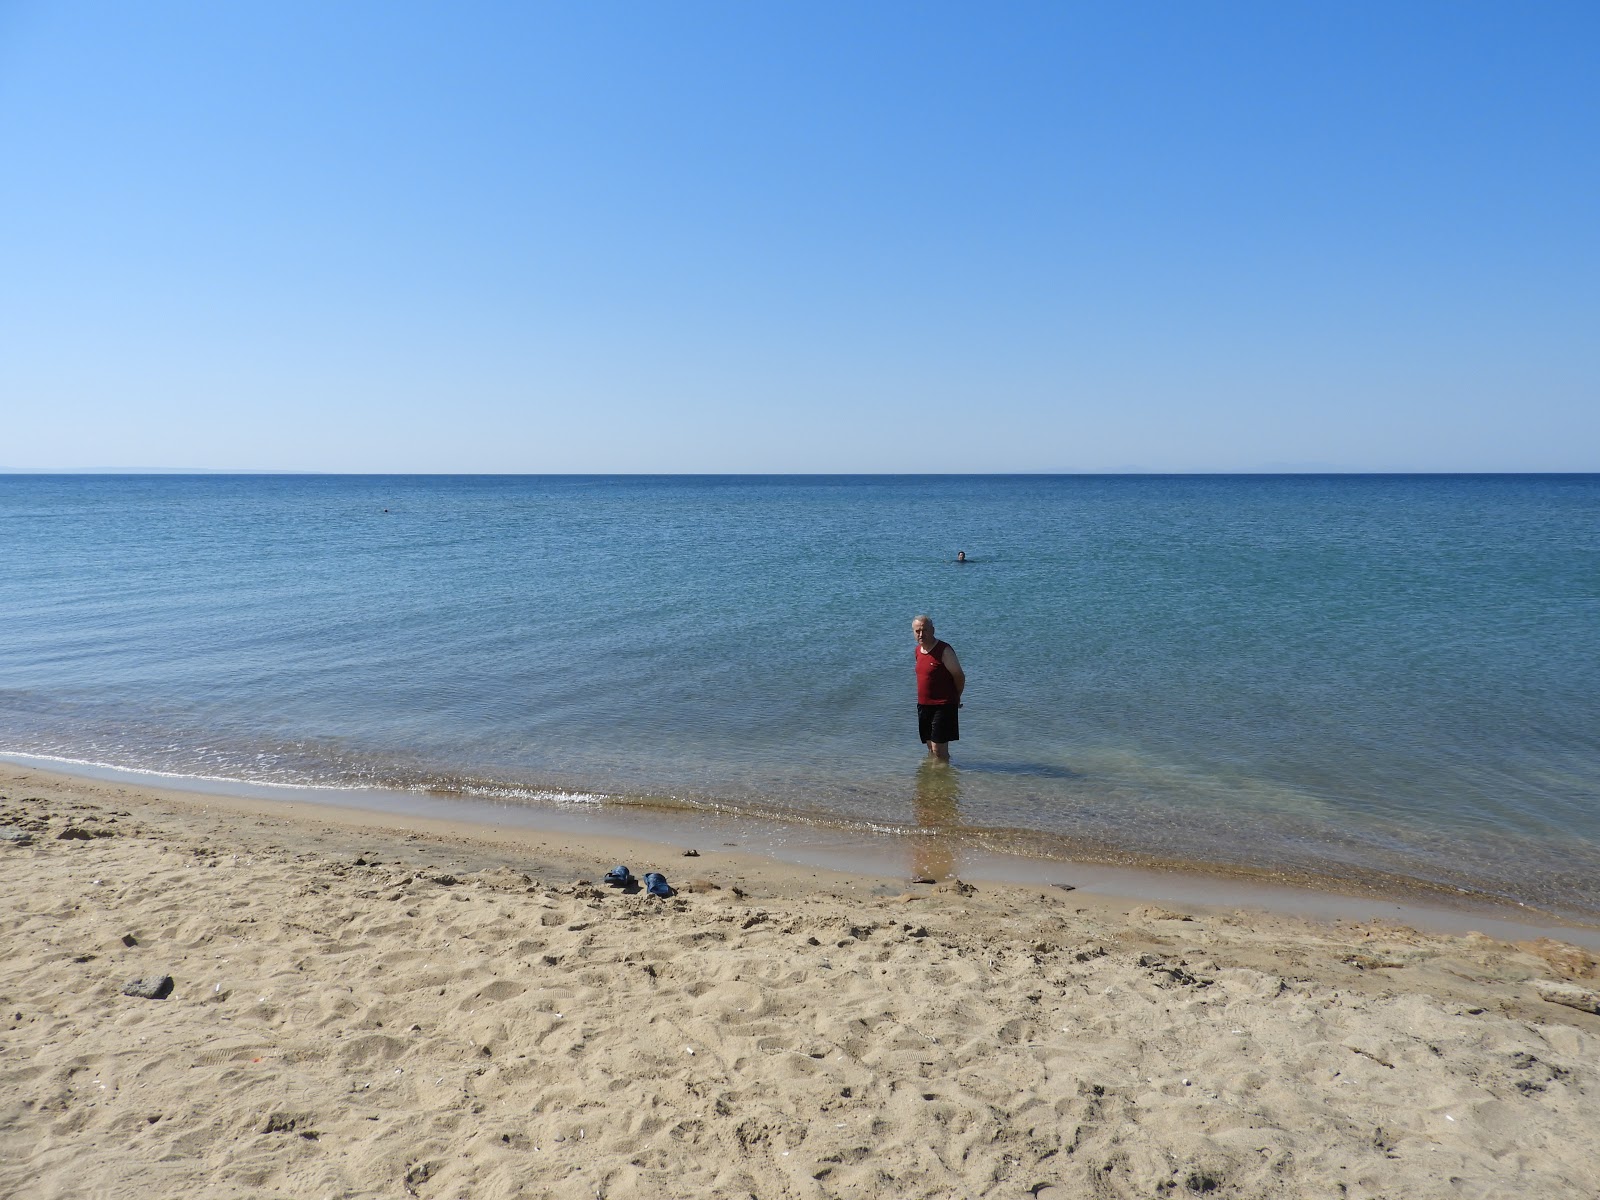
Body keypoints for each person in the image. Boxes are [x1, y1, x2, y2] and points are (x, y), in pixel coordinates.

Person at [912, 614, 965, 760]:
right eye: (917, 631)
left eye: (925, 630)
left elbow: (959, 676)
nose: (921, 634)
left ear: (933, 630)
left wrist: (956, 697)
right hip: (923, 706)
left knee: (939, 750)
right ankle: (932, 780)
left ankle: (944, 781)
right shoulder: (918, 651)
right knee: (930, 747)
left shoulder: (944, 650)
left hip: (943, 705)